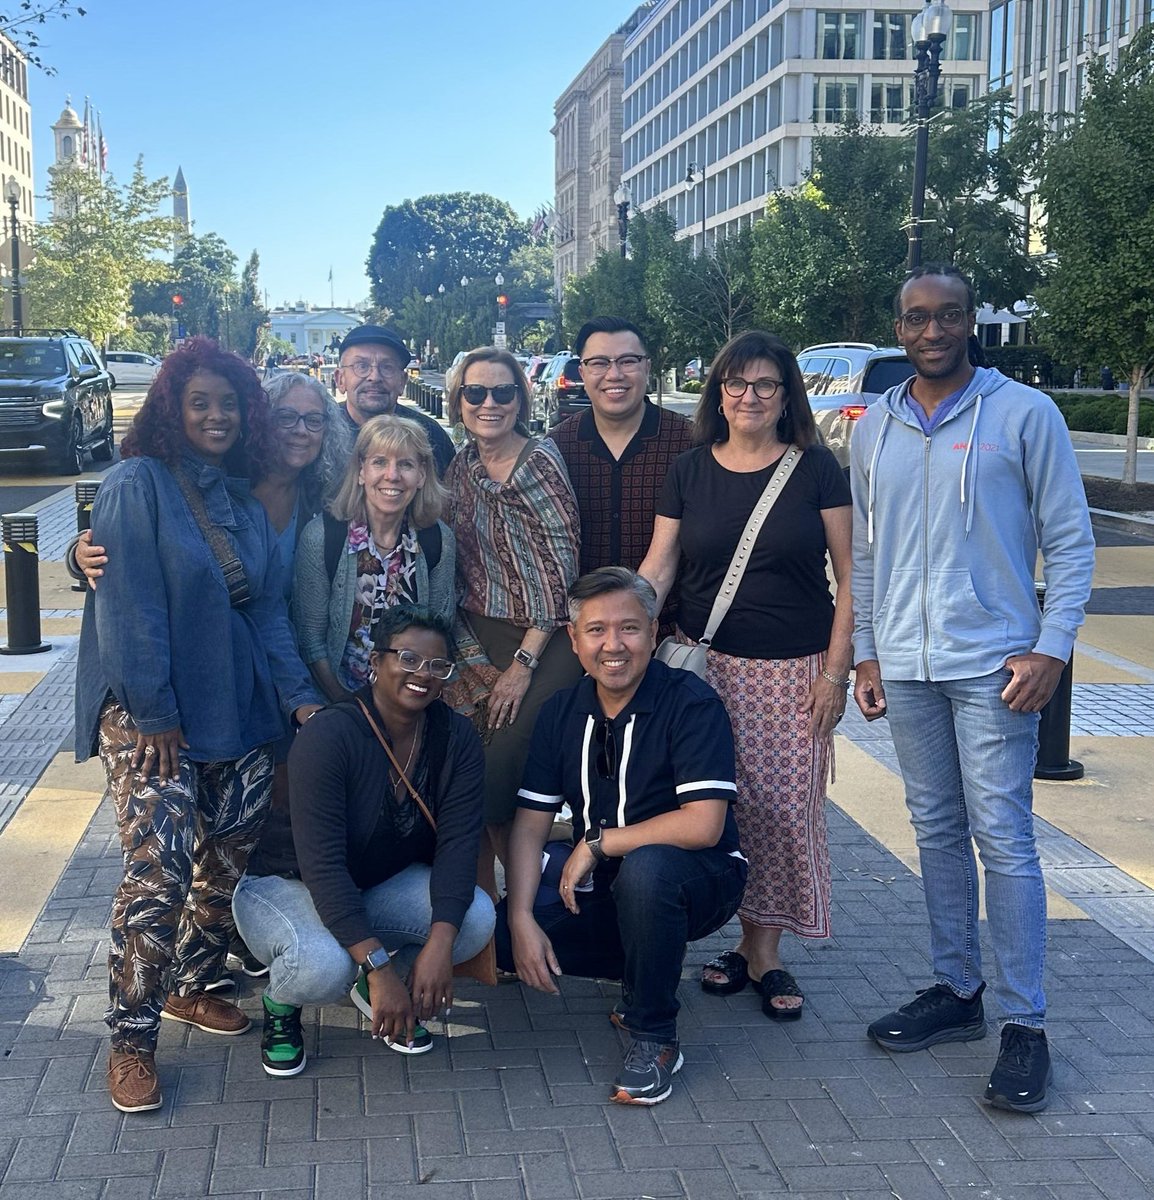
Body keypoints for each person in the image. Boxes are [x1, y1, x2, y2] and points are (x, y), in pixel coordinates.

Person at [851, 264, 1095, 1113]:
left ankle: (1025, 1025)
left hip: (995, 667)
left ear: (970, 323)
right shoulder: (873, 427)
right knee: (936, 831)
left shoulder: (1025, 413)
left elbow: (1070, 541)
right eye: (916, 317)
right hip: (909, 669)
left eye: (948, 316)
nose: (931, 331)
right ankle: (956, 994)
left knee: (1004, 837)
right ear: (899, 323)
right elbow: (869, 554)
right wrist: (867, 652)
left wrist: (1052, 648)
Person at [73, 338, 324, 1115]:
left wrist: (300, 703)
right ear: (170, 409)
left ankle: (190, 984)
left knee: (225, 861)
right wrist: (152, 712)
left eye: (228, 403)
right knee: (160, 870)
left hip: (242, 712)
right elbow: (129, 604)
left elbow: (271, 615)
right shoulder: (135, 484)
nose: (215, 416)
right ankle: (132, 1038)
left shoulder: (244, 502)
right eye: (199, 402)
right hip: (157, 720)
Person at [638, 329, 852, 1021]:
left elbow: (851, 578)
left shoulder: (816, 470)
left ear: (787, 395)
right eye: (736, 384)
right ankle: (731, 940)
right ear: (718, 393)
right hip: (706, 671)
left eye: (765, 385)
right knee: (714, 807)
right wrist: (617, 631)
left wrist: (837, 674)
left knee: (786, 814)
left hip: (796, 673)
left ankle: (765, 952)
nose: (749, 396)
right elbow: (661, 566)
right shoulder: (690, 469)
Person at [498, 568, 746, 1105]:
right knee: (495, 936)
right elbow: (530, 824)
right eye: (597, 630)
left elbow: (704, 825)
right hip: (609, 889)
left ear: (654, 632)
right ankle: (638, 966)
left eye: (630, 628)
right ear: (573, 638)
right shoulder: (561, 711)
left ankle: (655, 1035)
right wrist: (519, 916)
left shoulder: (691, 702)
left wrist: (598, 842)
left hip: (699, 879)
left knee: (648, 871)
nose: (614, 645)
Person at [234, 606, 496, 1074]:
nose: (423, 675)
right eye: (409, 659)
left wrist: (439, 945)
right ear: (375, 662)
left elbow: (458, 844)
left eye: (438, 666)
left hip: (372, 885)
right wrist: (379, 967)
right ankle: (282, 1003)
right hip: (285, 885)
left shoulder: (455, 737)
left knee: (473, 919)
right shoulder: (330, 734)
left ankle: (370, 983)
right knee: (323, 965)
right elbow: (323, 867)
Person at [443, 348, 582, 879]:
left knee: (497, 772)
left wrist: (523, 665)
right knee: (461, 770)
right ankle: (486, 927)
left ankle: (539, 909)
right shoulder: (462, 466)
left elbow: (563, 571)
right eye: (475, 392)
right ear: (457, 402)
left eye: (503, 392)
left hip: (542, 637)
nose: (489, 403)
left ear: (520, 399)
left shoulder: (540, 463)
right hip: (476, 634)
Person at [293, 414, 456, 702]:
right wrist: (345, 705)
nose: (392, 475)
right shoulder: (322, 537)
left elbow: (439, 635)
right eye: (379, 462)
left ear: (421, 476)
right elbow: (311, 639)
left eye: (405, 464)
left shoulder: (437, 540)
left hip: (412, 696)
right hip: (340, 695)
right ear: (360, 471)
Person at [551, 317, 693, 635]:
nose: (614, 374)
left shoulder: (690, 442)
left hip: (675, 631)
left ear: (647, 367)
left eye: (628, 361)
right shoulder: (556, 447)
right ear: (582, 371)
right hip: (579, 633)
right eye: (599, 362)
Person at [335, 324, 455, 475]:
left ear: (402, 381)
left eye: (387, 367)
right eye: (361, 366)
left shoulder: (431, 437)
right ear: (340, 379)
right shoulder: (319, 433)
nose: (375, 377)